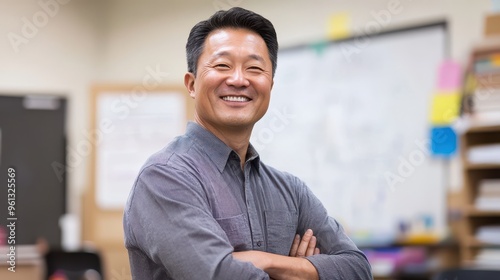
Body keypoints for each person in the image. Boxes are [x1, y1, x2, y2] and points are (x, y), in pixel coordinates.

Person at [123, 7, 372, 280]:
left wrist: (264, 261)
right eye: (222, 66)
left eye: (254, 68)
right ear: (191, 84)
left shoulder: (291, 191)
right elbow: (219, 276)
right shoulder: (165, 178)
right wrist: (306, 272)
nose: (239, 80)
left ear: (270, 86)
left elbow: (357, 269)